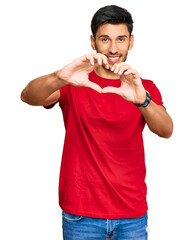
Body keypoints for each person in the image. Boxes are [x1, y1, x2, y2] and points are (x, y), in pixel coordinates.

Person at [21, 5, 173, 240]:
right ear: (93, 42)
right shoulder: (74, 81)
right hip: (81, 215)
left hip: (131, 214)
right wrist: (59, 77)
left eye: (121, 39)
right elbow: (28, 96)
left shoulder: (143, 87)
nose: (113, 48)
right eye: (105, 39)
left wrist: (142, 100)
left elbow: (166, 130)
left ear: (131, 42)